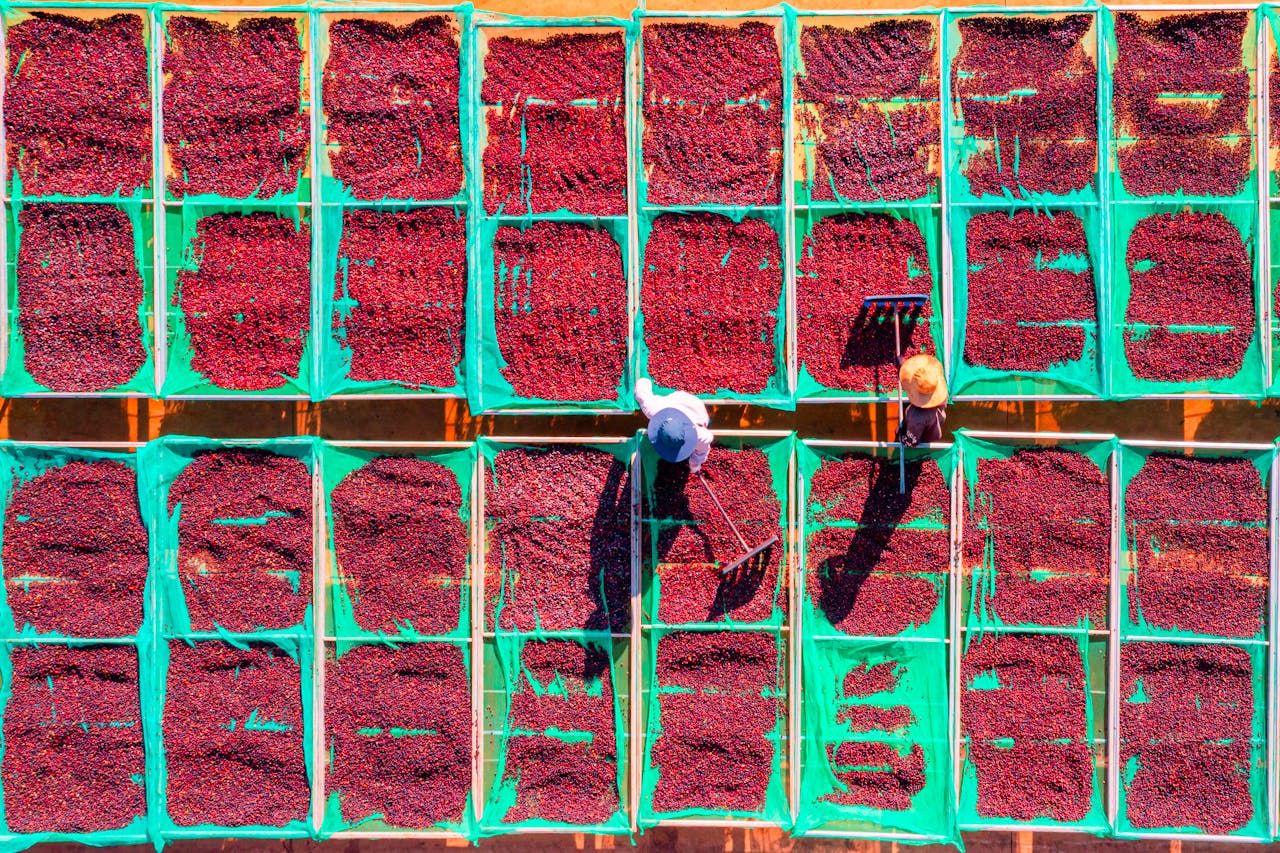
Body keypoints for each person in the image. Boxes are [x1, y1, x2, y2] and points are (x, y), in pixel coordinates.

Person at [636, 377, 714, 471]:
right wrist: (644, 380)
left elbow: (702, 451)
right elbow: (642, 393)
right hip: (674, 401)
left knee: (705, 421)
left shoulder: (700, 436)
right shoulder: (655, 410)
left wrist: (694, 464)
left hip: (696, 407)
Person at [897, 353, 948, 447]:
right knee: (933, 423)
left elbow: (912, 442)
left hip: (925, 434)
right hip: (936, 420)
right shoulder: (940, 390)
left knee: (911, 434)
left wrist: (900, 435)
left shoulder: (915, 416)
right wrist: (904, 366)